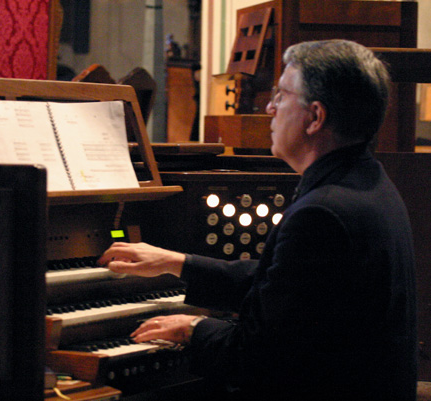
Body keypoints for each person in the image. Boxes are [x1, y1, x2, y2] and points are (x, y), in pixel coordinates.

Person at [98, 40, 417, 401]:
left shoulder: (322, 213)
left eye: (282, 95)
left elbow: (257, 355)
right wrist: (178, 263)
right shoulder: (367, 182)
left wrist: (194, 327)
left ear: (315, 117)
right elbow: (284, 285)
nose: (270, 107)